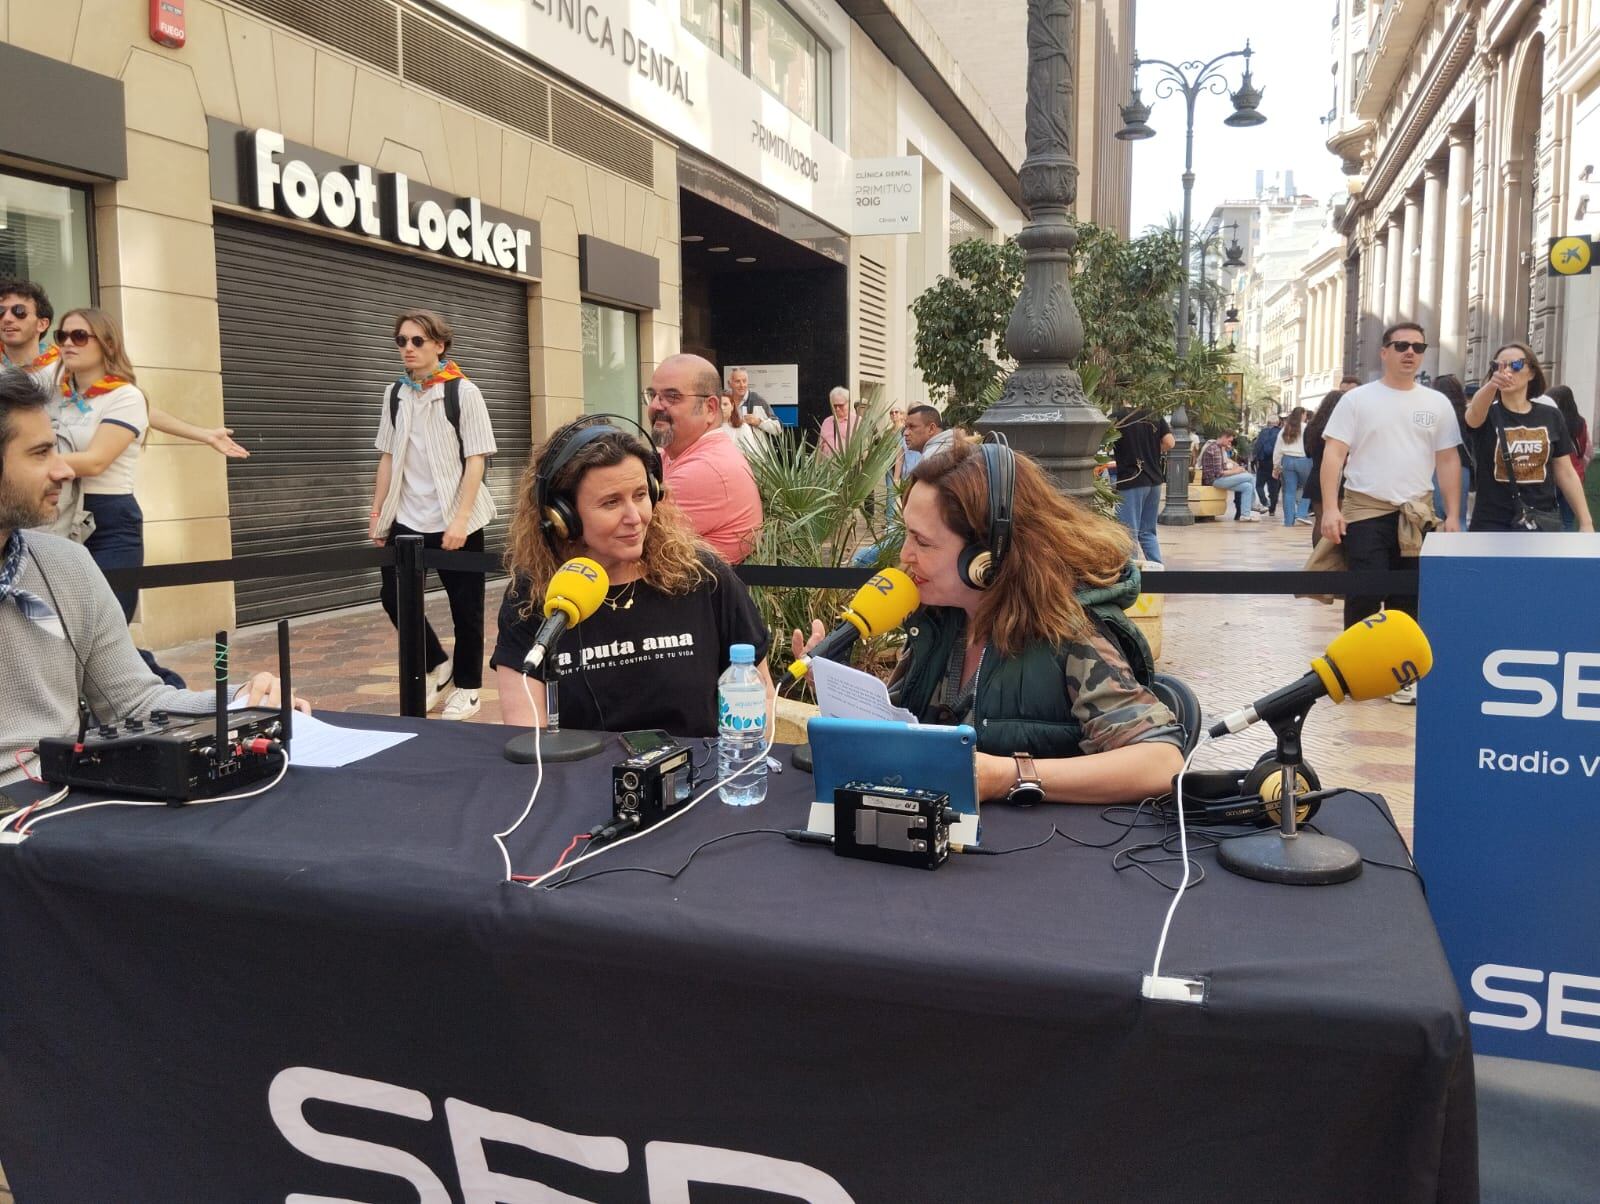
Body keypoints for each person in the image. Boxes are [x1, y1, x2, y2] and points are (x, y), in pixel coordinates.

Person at [793, 440, 1184, 804]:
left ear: (986, 557)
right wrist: (838, 685)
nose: (904, 556)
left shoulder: (1069, 629)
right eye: (906, 537)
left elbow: (1161, 763)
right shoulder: (938, 620)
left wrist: (1010, 776)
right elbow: (906, 728)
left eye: (923, 542)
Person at [0, 374, 303, 787]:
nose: (63, 469)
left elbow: (134, 702)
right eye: (39, 454)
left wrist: (240, 702)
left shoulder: (67, 566)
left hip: (65, 806)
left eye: (56, 448)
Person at [493, 418, 774, 733]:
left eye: (640, 495)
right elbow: (526, 733)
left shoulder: (705, 577)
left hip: (699, 779)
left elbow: (759, 698)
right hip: (576, 781)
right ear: (562, 517)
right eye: (611, 502)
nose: (635, 517)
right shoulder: (531, 596)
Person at [1319, 323, 1462, 697]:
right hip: (1366, 510)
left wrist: (1454, 516)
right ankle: (1356, 672)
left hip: (1416, 513)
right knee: (1364, 592)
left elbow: (1448, 460)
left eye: (1418, 346)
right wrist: (1331, 509)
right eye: (1401, 345)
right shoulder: (1358, 399)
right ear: (1384, 352)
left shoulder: (1437, 404)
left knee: (1406, 597)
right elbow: (1334, 454)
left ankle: (1400, 677)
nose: (1409, 352)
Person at [370, 309, 498, 721]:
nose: (407, 348)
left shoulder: (463, 393)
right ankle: (435, 664)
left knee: (466, 607)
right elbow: (388, 457)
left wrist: (460, 520)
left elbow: (476, 460)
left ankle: (469, 688)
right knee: (394, 597)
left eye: (417, 341)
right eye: (402, 341)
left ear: (439, 346)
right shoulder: (396, 394)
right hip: (407, 517)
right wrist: (378, 512)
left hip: (456, 517)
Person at [0, 279, 248, 457]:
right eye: (1, 312)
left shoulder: (67, 364)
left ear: (42, 323)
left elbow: (128, 403)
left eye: (19, 311)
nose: (8, 319)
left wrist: (203, 434)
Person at [1462, 344, 1592, 534]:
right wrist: (1492, 384)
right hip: (1492, 522)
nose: (1506, 371)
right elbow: (1473, 415)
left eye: (1515, 365)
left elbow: (1565, 472)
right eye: (1498, 366)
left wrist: (1585, 521)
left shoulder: (1551, 416)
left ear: (1531, 373)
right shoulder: (1487, 414)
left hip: (1540, 520)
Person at [646, 353, 762, 563]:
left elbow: (629, 546)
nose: (655, 405)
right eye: (652, 395)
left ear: (710, 409)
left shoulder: (704, 470)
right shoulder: (676, 455)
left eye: (672, 397)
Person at [1110, 404, 1173, 563]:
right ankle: (1158, 573)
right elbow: (1170, 442)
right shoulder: (1153, 413)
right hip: (1154, 481)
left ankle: (1132, 577)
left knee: (1128, 533)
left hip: (1131, 480)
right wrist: (1152, 451)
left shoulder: (1118, 417)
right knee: (1148, 532)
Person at [1545, 385, 1592, 531]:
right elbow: (1585, 449)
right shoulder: (1580, 422)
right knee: (1568, 520)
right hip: (1575, 475)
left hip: (1552, 474)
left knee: (1548, 518)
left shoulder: (1550, 420)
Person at [1303, 389, 1344, 548]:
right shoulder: (1340, 426)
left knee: (1320, 519)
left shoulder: (1312, 426)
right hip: (1338, 477)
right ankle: (1334, 557)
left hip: (1316, 476)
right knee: (1339, 519)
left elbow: (1307, 452)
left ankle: (1317, 558)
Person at [1431, 375, 1474, 528]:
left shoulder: (1434, 414)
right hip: (1463, 468)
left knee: (1436, 518)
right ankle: (1458, 549)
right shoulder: (1467, 414)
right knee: (1458, 517)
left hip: (1438, 467)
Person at [1197, 431, 1259, 521]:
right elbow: (1219, 473)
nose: (1230, 444)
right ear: (1224, 437)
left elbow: (1222, 467)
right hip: (1214, 480)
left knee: (1247, 486)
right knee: (1249, 477)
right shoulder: (1215, 449)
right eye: (1229, 441)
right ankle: (1253, 504)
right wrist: (1237, 471)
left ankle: (1245, 515)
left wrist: (1235, 469)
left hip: (1218, 479)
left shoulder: (1218, 447)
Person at [1270, 407, 1313, 527]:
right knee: (1308, 488)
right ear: (1303, 415)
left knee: (1289, 491)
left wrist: (1276, 466)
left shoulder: (1285, 429)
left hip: (1287, 460)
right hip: (1304, 460)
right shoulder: (1306, 428)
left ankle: (1288, 521)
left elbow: (1277, 449)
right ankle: (1301, 513)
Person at [726, 367, 781, 444]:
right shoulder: (724, 401)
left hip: (754, 454)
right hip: (730, 453)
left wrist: (758, 422)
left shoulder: (758, 401)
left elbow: (778, 428)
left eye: (744, 381)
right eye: (737, 381)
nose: (742, 385)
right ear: (729, 384)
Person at [1252, 414, 1282, 517]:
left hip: (1263, 462)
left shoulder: (1263, 432)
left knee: (1259, 485)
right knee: (1274, 487)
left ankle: (1265, 502)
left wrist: (1256, 460)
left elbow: (1257, 447)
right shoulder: (1280, 432)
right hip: (1275, 462)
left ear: (1268, 422)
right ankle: (1272, 510)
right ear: (1278, 422)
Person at [719, 393, 765, 457]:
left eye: (725, 404)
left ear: (732, 406)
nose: (722, 408)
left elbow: (750, 454)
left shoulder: (743, 427)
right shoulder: (709, 429)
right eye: (719, 405)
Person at [817, 387, 857, 458]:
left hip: (850, 467)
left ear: (848, 403)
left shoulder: (857, 421)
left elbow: (864, 450)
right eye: (835, 406)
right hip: (827, 467)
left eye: (841, 405)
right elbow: (819, 449)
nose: (837, 409)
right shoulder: (826, 422)